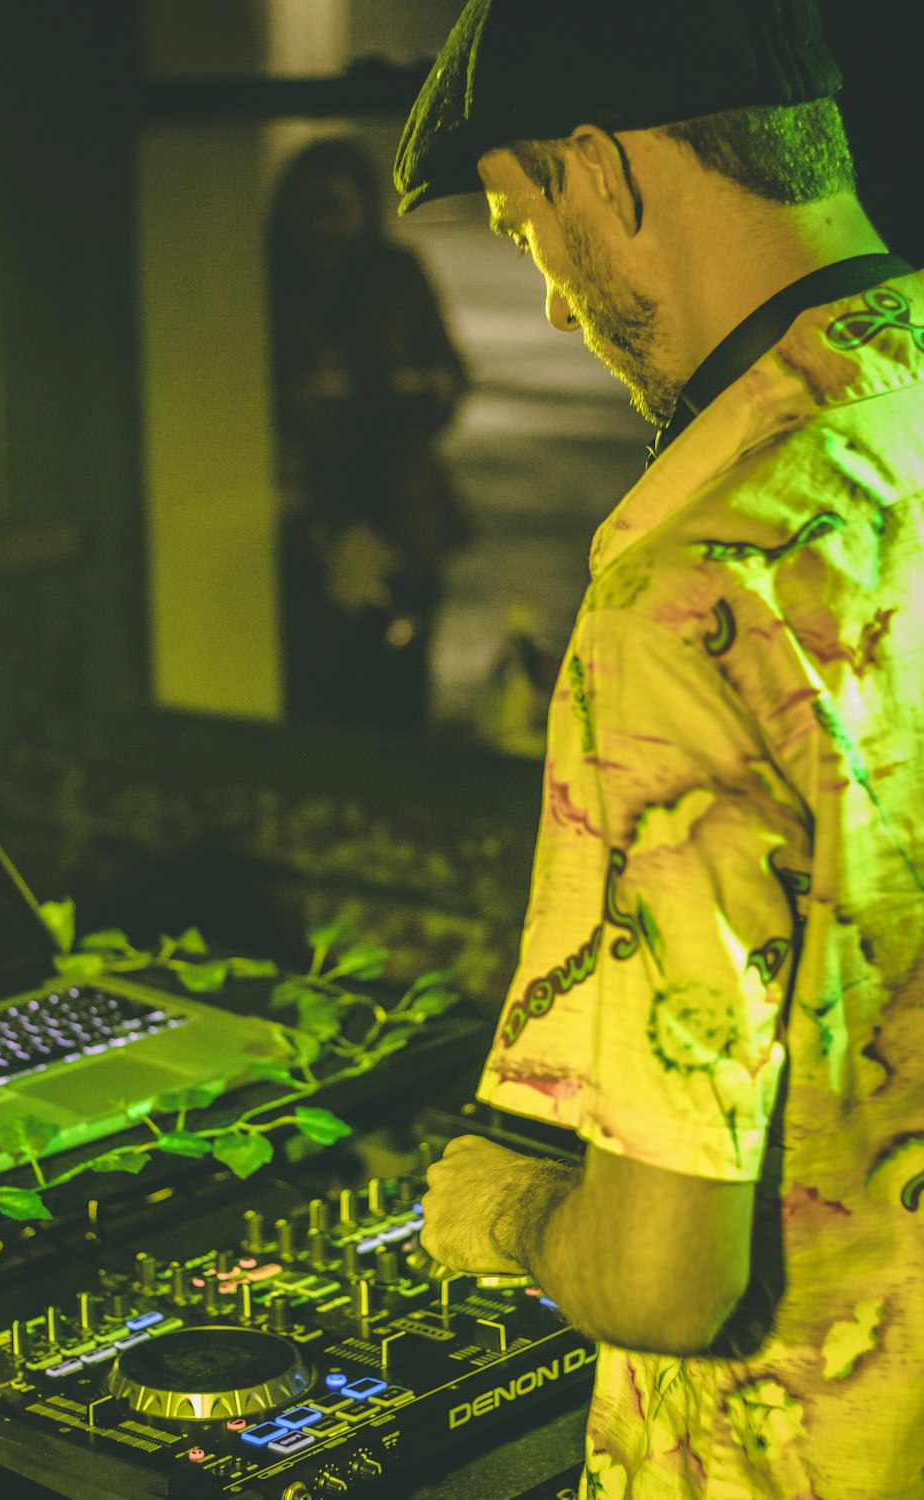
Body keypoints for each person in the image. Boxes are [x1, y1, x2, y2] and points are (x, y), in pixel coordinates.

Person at [393, 2, 924, 1496]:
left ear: (602, 174)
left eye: (520, 229)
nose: (553, 300)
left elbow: (663, 1276)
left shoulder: (694, 591)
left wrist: (499, 1216)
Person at [267, 136, 471, 735]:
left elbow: (450, 374)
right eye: (315, 207)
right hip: (308, 510)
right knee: (321, 685)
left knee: (400, 676)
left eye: (339, 206)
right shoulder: (267, 282)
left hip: (400, 501)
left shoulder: (394, 276)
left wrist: (426, 390)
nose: (327, 225)